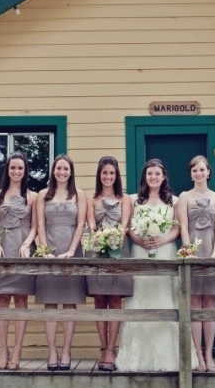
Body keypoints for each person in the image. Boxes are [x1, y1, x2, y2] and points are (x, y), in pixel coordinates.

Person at [116, 158, 196, 371]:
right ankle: (137, 359)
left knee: (166, 299)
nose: (153, 177)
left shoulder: (174, 201)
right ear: (145, 176)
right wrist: (141, 241)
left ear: (163, 177)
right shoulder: (135, 200)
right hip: (141, 251)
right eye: (150, 173)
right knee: (141, 297)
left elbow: (178, 229)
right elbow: (130, 228)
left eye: (157, 174)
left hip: (165, 250)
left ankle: (170, 357)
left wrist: (161, 240)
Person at [35, 154, 87, 371]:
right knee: (50, 302)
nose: (62, 172)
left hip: (71, 250)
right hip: (50, 250)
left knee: (69, 302)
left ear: (71, 171)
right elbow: (39, 224)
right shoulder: (42, 195)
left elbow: (81, 224)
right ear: (53, 171)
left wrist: (72, 251)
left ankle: (66, 349)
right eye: (58, 169)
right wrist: (45, 251)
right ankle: (52, 350)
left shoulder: (79, 195)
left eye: (66, 169)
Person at [0, 152, 38, 370]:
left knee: (21, 300)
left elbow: (36, 226)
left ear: (25, 171)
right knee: (2, 300)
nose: (16, 172)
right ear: (7, 170)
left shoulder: (33, 197)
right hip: (2, 248)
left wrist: (27, 244)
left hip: (22, 249)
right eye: (13, 168)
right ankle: (3, 348)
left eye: (20, 168)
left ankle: (17, 349)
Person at [177, 155, 215, 372]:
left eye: (202, 170)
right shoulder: (184, 197)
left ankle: (210, 354)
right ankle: (198, 355)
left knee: (211, 305)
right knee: (195, 304)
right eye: (194, 170)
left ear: (208, 172)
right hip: (193, 252)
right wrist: (189, 251)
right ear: (191, 174)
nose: (198, 173)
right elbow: (184, 227)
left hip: (212, 251)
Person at [85, 156, 133, 372]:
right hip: (96, 250)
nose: (108, 176)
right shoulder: (92, 200)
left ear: (116, 176)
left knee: (114, 300)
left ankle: (111, 350)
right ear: (99, 175)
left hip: (118, 250)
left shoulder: (125, 199)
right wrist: (100, 238)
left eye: (112, 173)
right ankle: (102, 347)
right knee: (98, 301)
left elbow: (124, 225)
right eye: (104, 173)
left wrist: (114, 236)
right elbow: (91, 224)